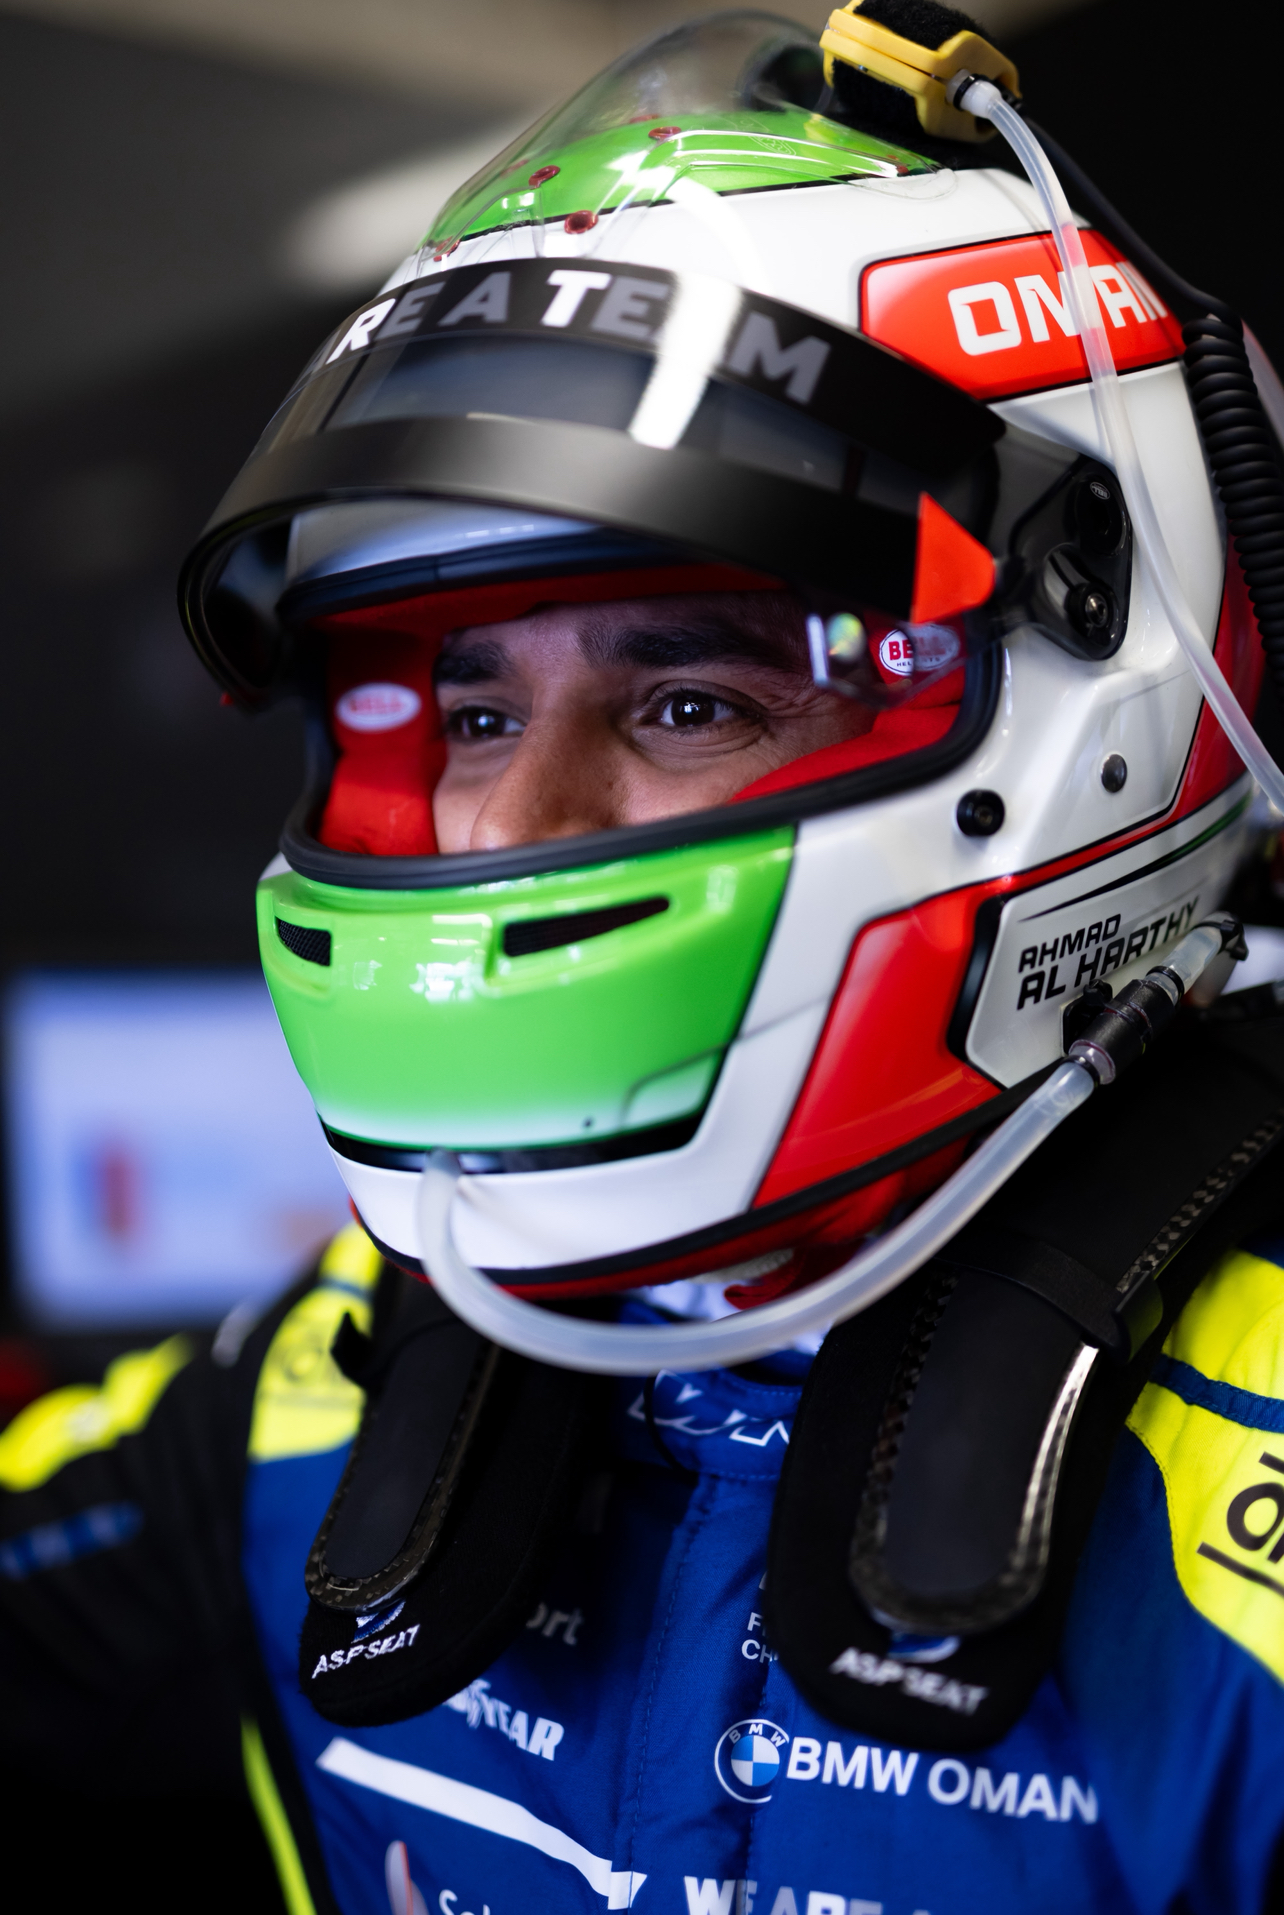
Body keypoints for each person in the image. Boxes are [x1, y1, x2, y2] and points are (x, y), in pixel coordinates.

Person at [5, 6, 1284, 1912]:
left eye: (689, 701)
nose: (511, 830)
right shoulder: (328, 1375)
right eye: (466, 717)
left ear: (1092, 690)